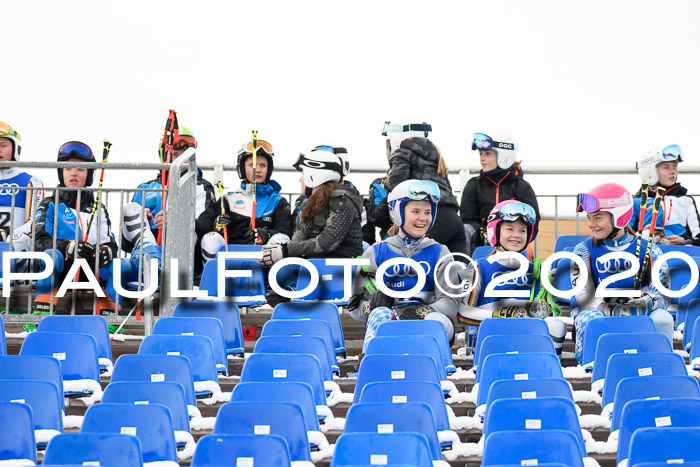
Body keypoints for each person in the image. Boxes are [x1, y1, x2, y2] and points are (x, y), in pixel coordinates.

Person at [348, 179, 460, 355]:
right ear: (398, 212)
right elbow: (355, 305)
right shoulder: (376, 252)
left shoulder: (440, 252)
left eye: (428, 212)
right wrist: (371, 307)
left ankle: (439, 371)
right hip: (390, 322)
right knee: (380, 315)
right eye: (415, 211)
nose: (423, 218)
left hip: (427, 319)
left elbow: (450, 303)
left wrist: (421, 311)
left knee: (435, 320)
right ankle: (372, 364)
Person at [571, 182, 673, 364]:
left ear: (619, 217)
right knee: (591, 320)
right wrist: (612, 309)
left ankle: (660, 368)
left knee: (663, 319)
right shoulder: (582, 250)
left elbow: (663, 294)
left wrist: (647, 302)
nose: (590, 224)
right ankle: (592, 371)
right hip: (599, 313)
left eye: (597, 218)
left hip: (639, 312)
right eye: (589, 218)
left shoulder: (650, 250)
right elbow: (583, 296)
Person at [456, 200, 566, 355]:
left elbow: (550, 312)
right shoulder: (479, 267)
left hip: (530, 339)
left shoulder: (537, 270)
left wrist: (544, 310)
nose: (517, 235)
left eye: (522, 230)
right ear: (495, 231)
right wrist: (501, 315)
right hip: (492, 338)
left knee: (556, 325)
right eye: (510, 229)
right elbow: (462, 312)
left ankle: (548, 369)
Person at [32, 141, 125, 314]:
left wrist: (107, 250)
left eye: (80, 169)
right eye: (68, 168)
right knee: (49, 256)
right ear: (61, 173)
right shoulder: (50, 204)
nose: (73, 173)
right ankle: (42, 310)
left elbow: (110, 242)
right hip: (63, 269)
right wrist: (67, 247)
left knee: (121, 265)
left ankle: (109, 314)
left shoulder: (99, 208)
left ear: (89, 175)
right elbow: (39, 242)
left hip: (90, 268)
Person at [120, 125, 217, 279]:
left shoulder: (201, 186)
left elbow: (207, 226)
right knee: (131, 208)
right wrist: (144, 222)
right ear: (163, 155)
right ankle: (151, 261)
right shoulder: (146, 188)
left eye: (183, 155)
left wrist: (177, 220)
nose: (178, 160)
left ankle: (171, 272)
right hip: (150, 249)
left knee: (188, 229)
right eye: (173, 155)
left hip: (185, 256)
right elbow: (125, 243)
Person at [373, 121, 467, 256]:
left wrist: (377, 215)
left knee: (404, 264)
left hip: (431, 217)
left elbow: (394, 189)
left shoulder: (403, 152)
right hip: (452, 219)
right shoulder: (436, 153)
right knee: (458, 273)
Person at [259, 149, 363, 266]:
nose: (300, 179)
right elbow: (297, 241)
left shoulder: (342, 202)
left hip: (342, 271)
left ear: (314, 176)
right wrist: (277, 252)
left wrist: (284, 251)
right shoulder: (306, 205)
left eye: (303, 173)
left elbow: (327, 242)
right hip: (314, 266)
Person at [200, 138, 292, 265]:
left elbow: (286, 233)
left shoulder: (278, 202)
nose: (258, 170)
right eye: (252, 165)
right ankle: (212, 280)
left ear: (269, 169)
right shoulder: (227, 200)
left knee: (281, 239)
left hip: (263, 260)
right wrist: (217, 225)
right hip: (231, 257)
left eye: (263, 165)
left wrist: (266, 234)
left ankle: (273, 283)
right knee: (210, 237)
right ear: (242, 168)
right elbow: (203, 224)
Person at [460, 132, 540, 256]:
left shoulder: (521, 187)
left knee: (528, 252)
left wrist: (516, 237)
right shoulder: (474, 185)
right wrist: (487, 234)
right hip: (481, 244)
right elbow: (467, 219)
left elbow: (533, 221)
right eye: (480, 153)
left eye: (487, 153)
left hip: (513, 243)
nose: (482, 158)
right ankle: (466, 272)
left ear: (504, 156)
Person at [629, 145, 700, 245]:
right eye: (666, 167)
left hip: (681, 254)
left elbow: (698, 238)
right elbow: (624, 238)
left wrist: (684, 240)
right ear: (650, 171)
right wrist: (642, 233)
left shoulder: (686, 200)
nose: (673, 171)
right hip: (646, 254)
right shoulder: (636, 202)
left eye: (674, 167)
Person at [0, 120, 44, 273]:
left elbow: (36, 220)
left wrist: (8, 236)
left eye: (3, 145)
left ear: (15, 148)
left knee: (17, 239)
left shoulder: (31, 181)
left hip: (17, 245)